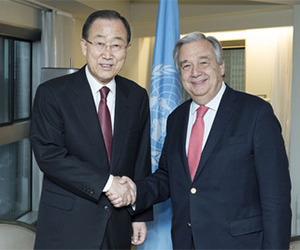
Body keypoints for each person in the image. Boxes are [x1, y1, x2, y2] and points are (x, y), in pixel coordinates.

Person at [108, 32, 292, 249]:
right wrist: (135, 190)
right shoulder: (176, 118)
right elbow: (168, 176)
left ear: (221, 67)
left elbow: (275, 197)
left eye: (203, 62)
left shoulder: (255, 113)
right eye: (186, 66)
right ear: (180, 74)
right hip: (187, 242)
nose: (195, 72)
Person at [30, 10, 152, 249]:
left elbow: (140, 157)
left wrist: (140, 215)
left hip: (118, 223)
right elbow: (50, 156)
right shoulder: (52, 93)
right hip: (67, 225)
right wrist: (107, 183)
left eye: (116, 45)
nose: (108, 54)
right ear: (84, 46)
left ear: (127, 49)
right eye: (100, 43)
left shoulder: (137, 96)